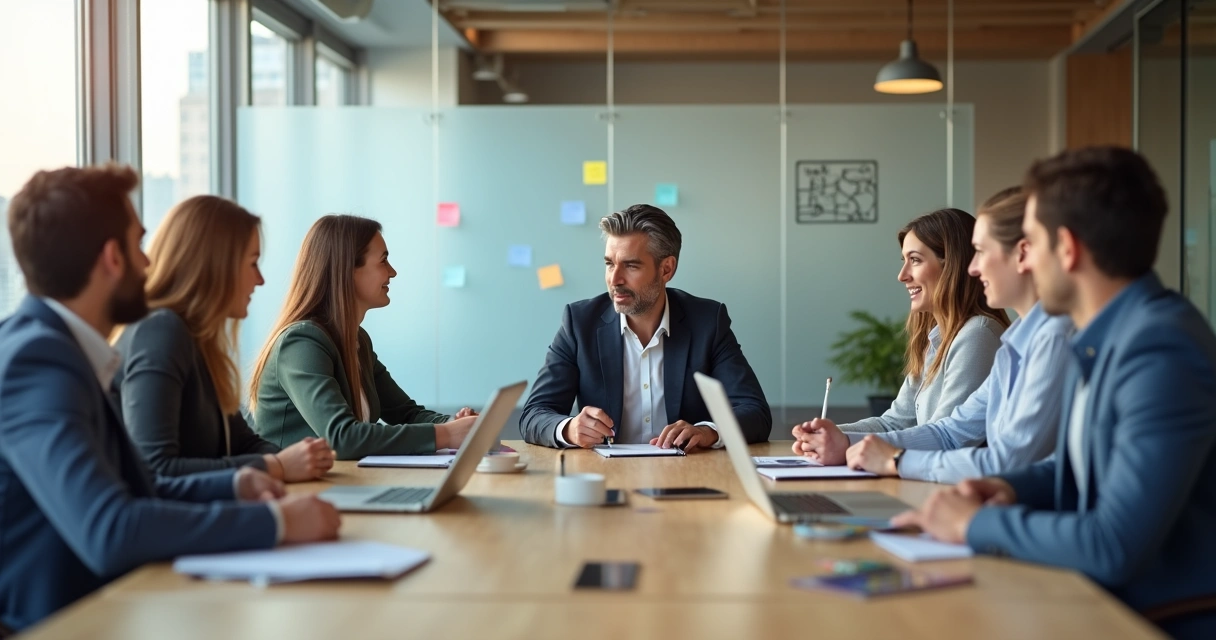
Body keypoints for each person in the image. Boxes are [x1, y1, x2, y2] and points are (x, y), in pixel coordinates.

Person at [892, 147, 1216, 639]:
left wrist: (972, 526)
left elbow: (1113, 544)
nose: (1020, 258)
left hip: (1148, 615)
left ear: (1066, 249)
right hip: (1095, 593)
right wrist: (1009, 488)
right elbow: (1080, 468)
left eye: (1032, 243)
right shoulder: (1110, 333)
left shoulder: (1159, 349)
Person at [0, 166, 340, 633]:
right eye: (139, 244)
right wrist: (275, 525)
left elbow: (138, 486)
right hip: (68, 621)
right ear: (111, 258)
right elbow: (110, 530)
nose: (148, 263)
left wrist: (237, 485)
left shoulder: (58, 349)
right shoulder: (38, 361)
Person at [799, 188, 1071, 482]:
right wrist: (842, 440)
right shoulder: (1010, 342)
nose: (974, 268)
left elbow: (1003, 459)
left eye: (980, 252)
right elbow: (945, 431)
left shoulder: (989, 335)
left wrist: (895, 460)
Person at [112, 196, 334, 479]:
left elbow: (243, 443)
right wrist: (277, 466)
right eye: (252, 263)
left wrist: (300, 457)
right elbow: (157, 469)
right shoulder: (160, 332)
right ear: (215, 265)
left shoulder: (197, 339)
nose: (260, 279)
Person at [520, 204, 771, 451]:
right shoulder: (579, 322)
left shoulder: (707, 321)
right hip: (607, 479)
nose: (615, 279)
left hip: (687, 477)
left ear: (666, 269)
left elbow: (755, 412)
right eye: (609, 264)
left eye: (631, 266)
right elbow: (534, 414)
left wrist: (708, 431)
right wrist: (569, 428)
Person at [250, 214, 477, 460]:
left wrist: (456, 423)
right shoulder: (301, 344)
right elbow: (343, 437)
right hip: (293, 492)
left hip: (342, 484)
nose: (393, 272)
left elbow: (405, 413)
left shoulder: (357, 340)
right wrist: (445, 434)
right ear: (348, 270)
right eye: (383, 261)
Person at [791, 208, 1009, 461]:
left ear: (953, 265)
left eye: (915, 260)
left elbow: (947, 438)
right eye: (904, 260)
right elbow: (895, 423)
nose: (902, 275)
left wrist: (846, 443)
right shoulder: (935, 339)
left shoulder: (977, 335)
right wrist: (829, 436)